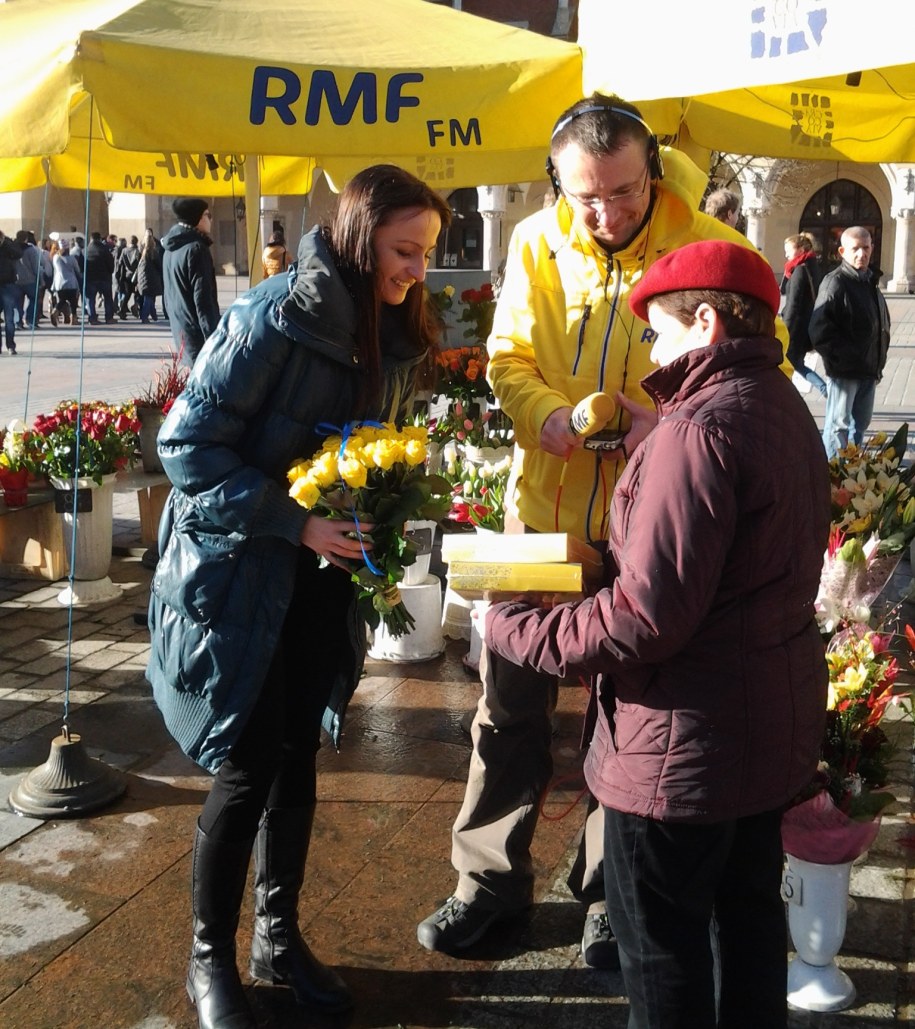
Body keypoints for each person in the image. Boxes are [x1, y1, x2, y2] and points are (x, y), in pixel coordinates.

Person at [416, 93, 777, 966]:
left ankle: (605, 895)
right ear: (557, 185)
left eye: (623, 191)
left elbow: (761, 362)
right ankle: (487, 884)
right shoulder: (536, 241)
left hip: (651, 527)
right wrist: (544, 415)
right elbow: (507, 357)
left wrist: (671, 429)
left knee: (626, 719)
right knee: (508, 708)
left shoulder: (709, 246)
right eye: (587, 197)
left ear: (650, 171)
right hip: (540, 515)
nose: (607, 213)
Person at [478, 240, 830, 1029]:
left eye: (658, 331)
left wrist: (511, 627)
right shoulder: (774, 401)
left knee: (660, 951)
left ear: (703, 321)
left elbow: (642, 620)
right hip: (759, 728)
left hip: (680, 750)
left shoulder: (696, 432)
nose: (649, 349)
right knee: (745, 926)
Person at [146, 164, 450, 1029]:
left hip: (323, 584)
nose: (416, 270)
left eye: (426, 252)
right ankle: (210, 954)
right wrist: (295, 519)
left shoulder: (393, 329)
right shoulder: (273, 314)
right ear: (359, 238)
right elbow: (187, 444)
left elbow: (368, 448)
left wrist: (382, 518)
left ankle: (276, 933)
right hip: (244, 574)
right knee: (246, 768)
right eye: (403, 250)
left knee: (299, 754)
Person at [810, 226, 891, 458]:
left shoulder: (870, 281)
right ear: (842, 251)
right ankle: (833, 477)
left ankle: (852, 472)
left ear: (872, 249)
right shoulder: (835, 282)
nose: (861, 254)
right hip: (846, 371)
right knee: (838, 427)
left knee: (860, 426)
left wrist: (877, 362)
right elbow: (818, 329)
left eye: (866, 248)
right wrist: (841, 360)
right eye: (855, 249)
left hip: (869, 370)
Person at [161, 197, 221, 365]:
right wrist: (213, 338)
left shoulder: (170, 248)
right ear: (198, 219)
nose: (210, 220)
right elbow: (203, 301)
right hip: (198, 334)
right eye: (208, 215)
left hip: (181, 330)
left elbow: (168, 296)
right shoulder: (196, 249)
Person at [781, 232, 826, 397]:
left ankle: (825, 390)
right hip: (805, 324)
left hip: (797, 327)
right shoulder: (810, 265)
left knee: (792, 362)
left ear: (800, 249)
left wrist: (785, 329)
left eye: (788, 250)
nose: (786, 254)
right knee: (795, 362)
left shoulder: (800, 270)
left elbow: (794, 304)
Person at [0, 229, 24, 353]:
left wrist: (7, 242)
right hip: (8, 284)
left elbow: (19, 253)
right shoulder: (7, 247)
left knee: (9, 319)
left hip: (8, 285)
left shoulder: (7, 247)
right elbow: (18, 253)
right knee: (9, 319)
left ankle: (10, 346)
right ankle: (10, 346)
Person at [85, 231, 116, 323]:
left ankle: (92, 318)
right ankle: (109, 317)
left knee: (90, 299)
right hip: (104, 277)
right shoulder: (104, 249)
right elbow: (111, 264)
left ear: (91, 239)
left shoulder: (87, 250)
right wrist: (110, 272)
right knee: (108, 298)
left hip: (91, 278)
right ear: (99, 239)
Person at [51, 240, 81, 326]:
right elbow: (77, 270)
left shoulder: (56, 258)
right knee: (73, 302)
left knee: (62, 300)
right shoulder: (72, 258)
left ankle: (55, 311)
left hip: (59, 283)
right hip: (71, 283)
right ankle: (73, 319)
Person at [136, 228, 164, 324]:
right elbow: (158, 265)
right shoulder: (153, 252)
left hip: (141, 276)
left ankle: (153, 314)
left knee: (148, 296)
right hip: (151, 277)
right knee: (149, 297)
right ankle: (144, 316)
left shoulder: (140, 250)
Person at [116, 235, 141, 319]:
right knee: (138, 292)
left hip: (126, 275)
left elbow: (120, 263)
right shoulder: (138, 251)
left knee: (127, 293)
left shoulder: (124, 251)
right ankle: (135, 306)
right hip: (136, 275)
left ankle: (122, 310)